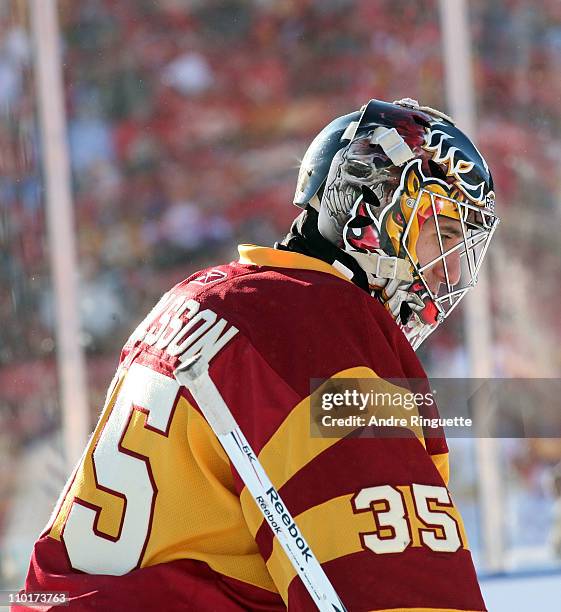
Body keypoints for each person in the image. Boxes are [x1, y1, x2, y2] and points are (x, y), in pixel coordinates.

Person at [17, 98, 498, 611]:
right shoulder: (320, 332)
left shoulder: (205, 296)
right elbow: (398, 592)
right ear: (371, 207)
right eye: (441, 234)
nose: (452, 272)